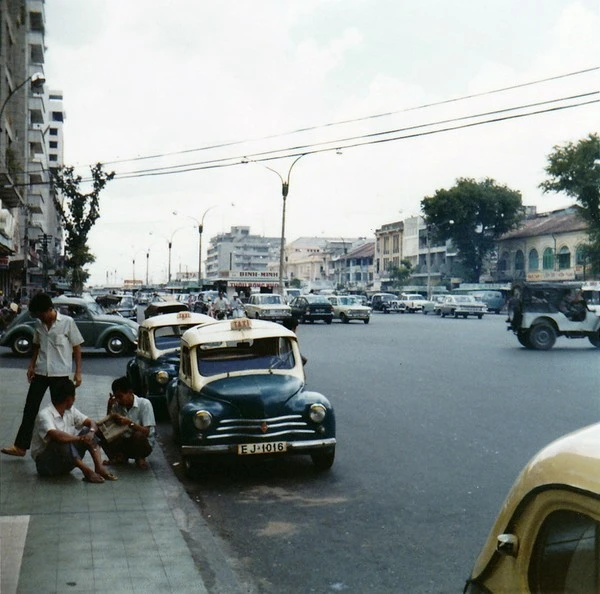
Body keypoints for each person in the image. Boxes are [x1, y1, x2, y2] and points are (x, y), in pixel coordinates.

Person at [2, 292, 84, 458]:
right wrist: (31, 365)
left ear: (49, 309)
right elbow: (37, 346)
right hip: (40, 372)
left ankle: (63, 446)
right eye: (37, 315)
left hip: (60, 373)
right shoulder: (39, 324)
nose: (40, 318)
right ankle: (20, 447)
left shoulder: (67, 323)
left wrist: (78, 372)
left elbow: (76, 347)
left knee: (60, 411)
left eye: (41, 314)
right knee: (30, 408)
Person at [30, 378, 117, 483]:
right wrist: (80, 439)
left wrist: (91, 432)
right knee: (61, 441)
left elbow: (91, 423)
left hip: (67, 459)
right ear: (69, 399)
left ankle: (99, 467)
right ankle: (87, 471)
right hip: (47, 465)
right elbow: (57, 436)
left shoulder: (70, 411)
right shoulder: (44, 415)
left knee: (87, 431)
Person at [103, 376, 156, 470]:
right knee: (100, 433)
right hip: (125, 441)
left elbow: (146, 432)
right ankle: (119, 457)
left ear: (130, 392)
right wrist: (109, 407)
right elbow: (107, 427)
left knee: (138, 435)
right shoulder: (117, 405)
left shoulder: (144, 404)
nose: (118, 400)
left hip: (142, 443)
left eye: (120, 397)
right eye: (116, 397)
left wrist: (130, 423)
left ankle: (140, 457)